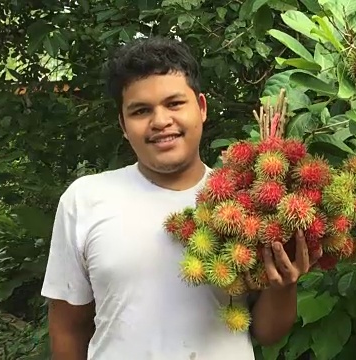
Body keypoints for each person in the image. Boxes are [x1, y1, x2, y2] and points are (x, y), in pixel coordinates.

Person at [40, 36, 322, 360]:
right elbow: (67, 327)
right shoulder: (85, 199)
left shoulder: (245, 200)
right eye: (141, 110)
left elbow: (268, 332)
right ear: (123, 124)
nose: (160, 121)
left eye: (174, 104)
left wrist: (285, 284)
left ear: (201, 108)